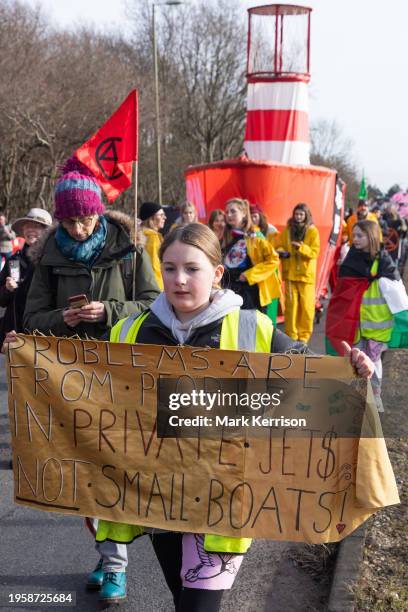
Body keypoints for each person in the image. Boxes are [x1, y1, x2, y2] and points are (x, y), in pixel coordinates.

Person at [86, 223, 374, 608]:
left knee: (198, 608)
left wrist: (351, 366)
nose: (179, 279)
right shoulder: (130, 332)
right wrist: (28, 360)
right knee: (182, 599)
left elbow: (312, 375)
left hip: (224, 503)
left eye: (192, 268)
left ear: (217, 273)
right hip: (162, 498)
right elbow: (85, 388)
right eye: (169, 268)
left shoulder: (254, 327)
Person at [23, 157, 160, 339]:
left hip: (119, 360)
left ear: (97, 213)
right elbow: (31, 321)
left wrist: (109, 312)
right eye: (69, 222)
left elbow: (155, 306)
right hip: (68, 363)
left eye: (85, 219)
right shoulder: (48, 255)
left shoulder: (128, 247)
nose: (78, 230)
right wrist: (61, 319)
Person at [326, 220, 408, 411]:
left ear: (371, 237)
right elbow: (342, 289)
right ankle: (356, 396)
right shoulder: (351, 258)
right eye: (354, 235)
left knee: (373, 360)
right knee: (355, 359)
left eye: (360, 236)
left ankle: (375, 396)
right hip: (355, 325)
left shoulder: (383, 261)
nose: (355, 239)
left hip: (377, 325)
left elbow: (396, 292)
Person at [0, 208, 52, 344]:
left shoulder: (52, 261)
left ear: (47, 231)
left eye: (35, 226)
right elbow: (2, 301)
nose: (30, 230)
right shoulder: (14, 260)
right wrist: (7, 290)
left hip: (42, 336)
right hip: (12, 334)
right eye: (27, 226)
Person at [222, 198, 281, 314]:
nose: (229, 215)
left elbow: (273, 260)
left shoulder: (256, 236)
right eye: (227, 212)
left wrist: (249, 275)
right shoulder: (226, 236)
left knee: (250, 329)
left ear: (244, 213)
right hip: (229, 290)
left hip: (250, 293)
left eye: (233, 211)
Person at [273, 203, 320, 343]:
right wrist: (282, 251)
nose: (298, 217)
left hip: (306, 276)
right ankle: (291, 337)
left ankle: (304, 337)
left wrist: (302, 248)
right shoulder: (288, 230)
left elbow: (314, 252)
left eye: (301, 214)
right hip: (290, 275)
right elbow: (279, 244)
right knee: (291, 308)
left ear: (306, 216)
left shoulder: (312, 231)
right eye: (296, 214)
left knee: (306, 308)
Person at [140, 201, 167, 291]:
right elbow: (155, 266)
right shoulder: (152, 237)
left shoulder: (140, 234)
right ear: (151, 218)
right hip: (155, 287)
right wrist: (160, 290)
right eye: (161, 215)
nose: (165, 218)